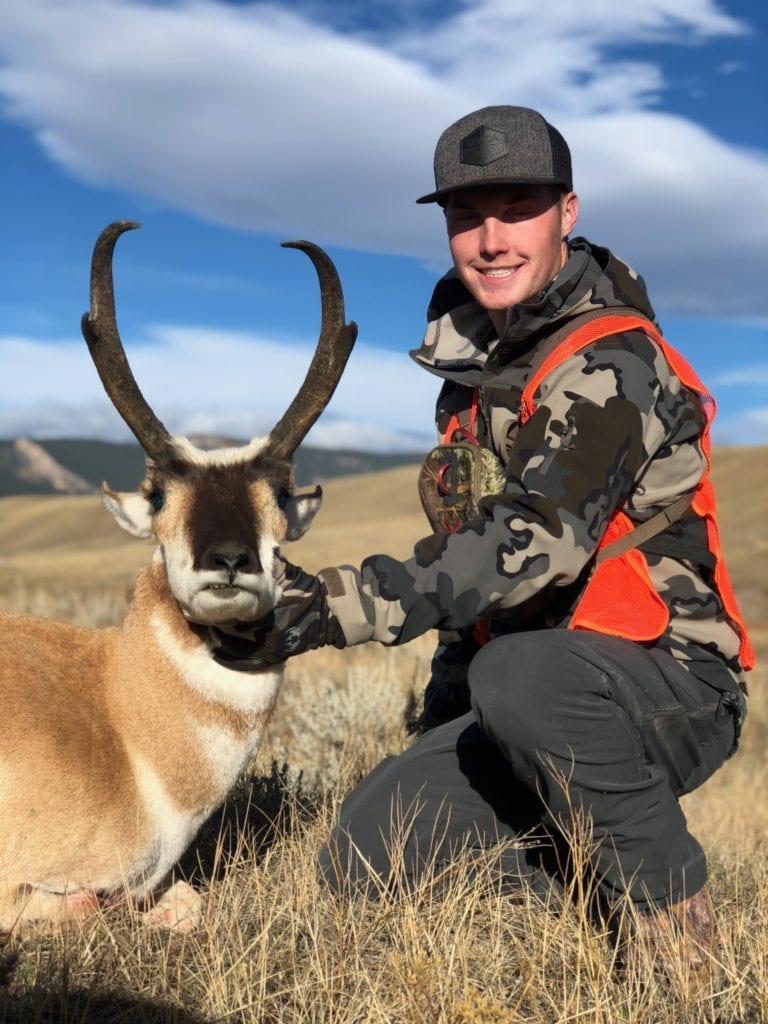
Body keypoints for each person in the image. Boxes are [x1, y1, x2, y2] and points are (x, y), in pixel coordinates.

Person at [214, 106, 755, 986]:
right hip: (533, 686)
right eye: (468, 216)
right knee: (369, 851)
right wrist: (439, 733)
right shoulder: (475, 381)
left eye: (518, 207)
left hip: (665, 684)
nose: (492, 238)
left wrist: (331, 610)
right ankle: (585, 889)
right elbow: (476, 593)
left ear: (567, 213)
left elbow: (533, 545)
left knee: (525, 675)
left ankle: (681, 936)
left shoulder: (611, 360)